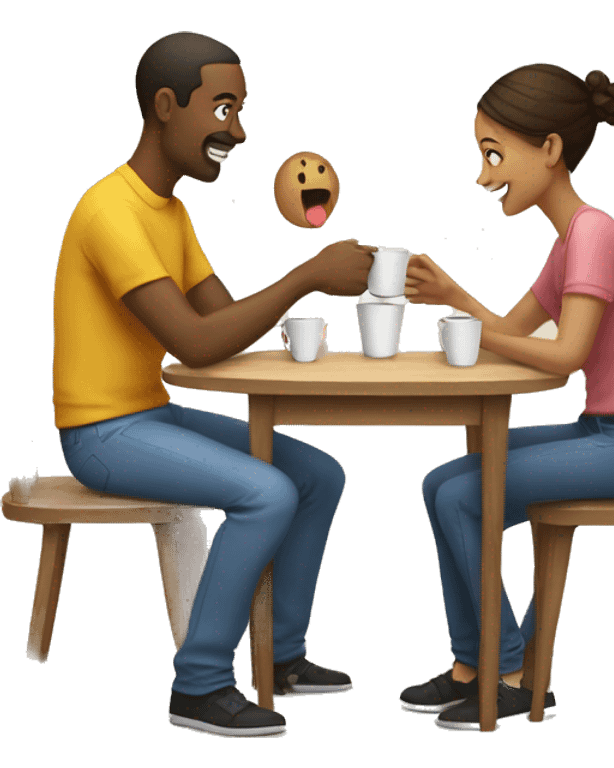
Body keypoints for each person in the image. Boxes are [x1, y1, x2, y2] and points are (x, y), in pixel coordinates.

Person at [53, 32, 375, 738]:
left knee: (318, 474)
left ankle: (283, 657)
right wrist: (308, 277)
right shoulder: (110, 212)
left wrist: (300, 286)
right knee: (267, 492)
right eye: (224, 109)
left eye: (240, 110)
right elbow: (197, 344)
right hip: (102, 433)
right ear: (166, 106)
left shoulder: (170, 211)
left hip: (149, 414)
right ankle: (198, 686)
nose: (239, 130)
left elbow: (224, 318)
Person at [400, 64, 614, 731]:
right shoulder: (570, 242)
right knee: (442, 483)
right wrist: (454, 300)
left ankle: (517, 673)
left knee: (465, 493)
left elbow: (564, 357)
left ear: (550, 150)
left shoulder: (593, 235)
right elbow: (509, 333)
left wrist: (466, 313)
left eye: (494, 154)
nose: (483, 175)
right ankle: (472, 663)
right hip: (607, 431)